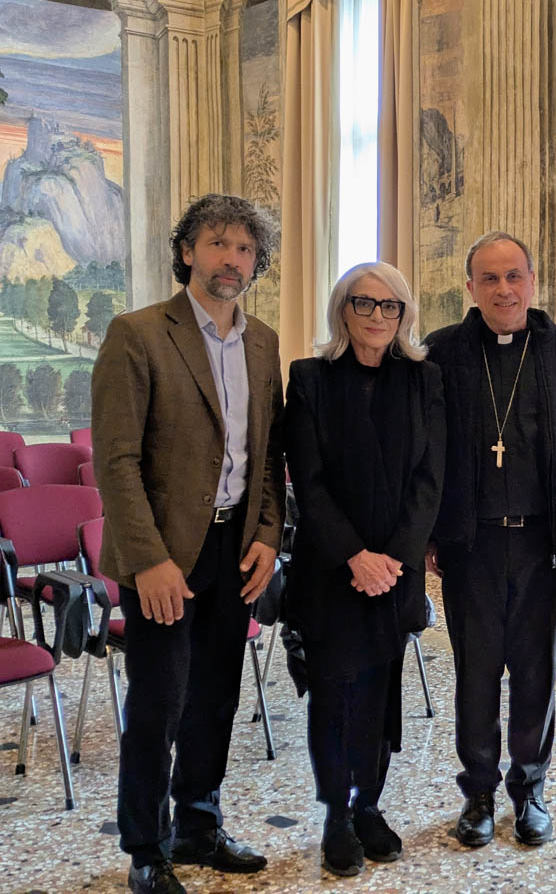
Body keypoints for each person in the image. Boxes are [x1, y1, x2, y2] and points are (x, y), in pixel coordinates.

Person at [91, 194, 286, 894]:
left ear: (256, 263)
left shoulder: (262, 343)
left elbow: (267, 458)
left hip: (235, 549)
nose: (231, 259)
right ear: (187, 252)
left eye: (244, 249)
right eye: (217, 244)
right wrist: (148, 560)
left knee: (216, 696)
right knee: (159, 702)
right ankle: (146, 846)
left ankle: (198, 824)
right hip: (164, 556)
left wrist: (268, 535)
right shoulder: (137, 333)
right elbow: (115, 463)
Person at [424, 230, 556, 848]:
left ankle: (529, 790)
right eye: (490, 278)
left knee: (537, 674)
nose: (503, 289)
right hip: (470, 546)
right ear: (470, 287)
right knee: (477, 673)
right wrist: (427, 533)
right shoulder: (442, 352)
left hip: (544, 545)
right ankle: (478, 792)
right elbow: (427, 453)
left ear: (532, 283)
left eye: (514, 276)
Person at [284, 262, 445, 876]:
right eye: (364, 303)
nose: (378, 316)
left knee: (380, 691)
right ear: (342, 309)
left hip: (394, 573)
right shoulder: (310, 379)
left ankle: (369, 804)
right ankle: (335, 815)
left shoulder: (425, 380)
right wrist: (354, 555)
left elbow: (432, 480)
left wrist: (395, 560)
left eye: (390, 306)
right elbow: (309, 480)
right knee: (334, 695)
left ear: (404, 315)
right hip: (333, 571)